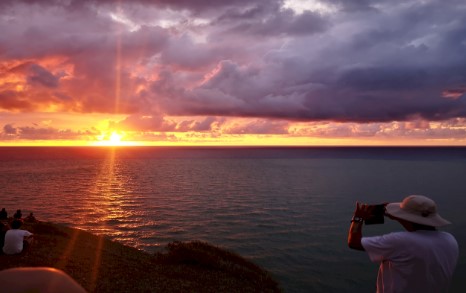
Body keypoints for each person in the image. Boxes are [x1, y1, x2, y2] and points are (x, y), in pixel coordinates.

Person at [348, 195, 458, 293]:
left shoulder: (401, 241)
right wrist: (395, 214)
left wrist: (358, 218)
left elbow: (354, 242)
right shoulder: (450, 240)